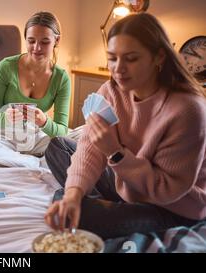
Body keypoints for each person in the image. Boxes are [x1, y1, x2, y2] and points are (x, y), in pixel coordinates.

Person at [44, 13, 206, 239]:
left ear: (159, 57)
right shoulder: (110, 92)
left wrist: (115, 153)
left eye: (131, 58)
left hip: (173, 206)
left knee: (76, 214)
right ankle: (95, 201)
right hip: (129, 183)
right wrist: (73, 194)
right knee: (58, 147)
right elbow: (89, 149)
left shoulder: (188, 110)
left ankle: (100, 205)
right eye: (112, 58)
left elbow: (167, 190)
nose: (118, 69)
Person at [0, 11, 71, 171]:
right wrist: (5, 117)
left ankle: (20, 161)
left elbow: (62, 130)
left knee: (85, 137)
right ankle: (35, 163)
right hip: (3, 137)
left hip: (36, 137)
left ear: (57, 40)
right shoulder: (5, 67)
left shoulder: (61, 78)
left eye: (45, 42)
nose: (37, 48)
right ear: (26, 39)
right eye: (31, 41)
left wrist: (44, 122)